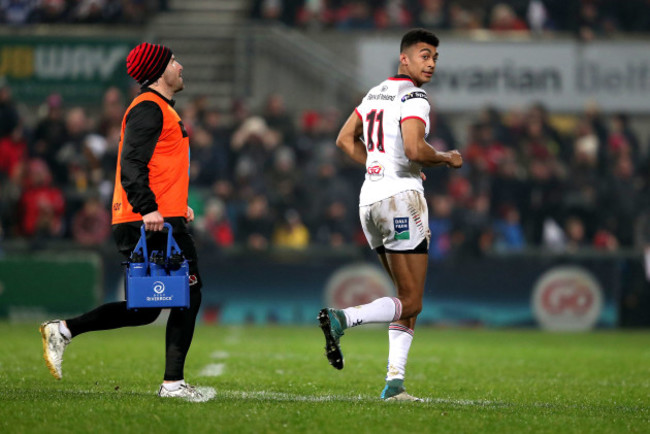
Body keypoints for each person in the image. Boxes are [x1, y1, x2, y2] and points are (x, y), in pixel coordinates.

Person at [39, 42, 205, 400]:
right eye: (174, 61)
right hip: (147, 220)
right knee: (189, 294)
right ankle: (172, 385)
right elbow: (131, 165)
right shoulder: (149, 108)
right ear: (160, 70)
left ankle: (63, 330)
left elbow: (158, 165)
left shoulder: (155, 108)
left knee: (145, 309)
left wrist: (177, 205)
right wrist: (148, 209)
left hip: (153, 217)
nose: (180, 66)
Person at [318, 28, 462, 402]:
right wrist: (446, 157)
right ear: (405, 58)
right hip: (401, 199)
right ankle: (343, 319)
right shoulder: (415, 96)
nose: (430, 63)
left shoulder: (374, 92)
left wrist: (377, 165)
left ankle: (394, 384)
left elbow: (343, 139)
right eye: (424, 55)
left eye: (434, 58)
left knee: (404, 297)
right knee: (413, 301)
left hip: (370, 200)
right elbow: (415, 148)